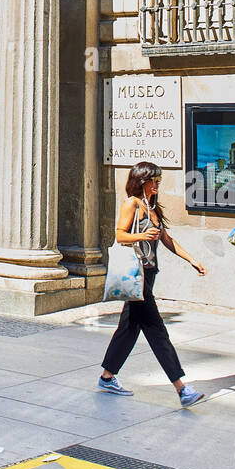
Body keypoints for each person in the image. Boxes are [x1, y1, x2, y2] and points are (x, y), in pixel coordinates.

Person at [98, 161, 207, 406]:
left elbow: (167, 239)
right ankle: (181, 389)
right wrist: (141, 235)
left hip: (148, 274)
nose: (158, 184)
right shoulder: (132, 203)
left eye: (159, 180)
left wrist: (192, 259)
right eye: (154, 180)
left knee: (128, 329)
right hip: (138, 276)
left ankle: (107, 377)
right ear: (142, 181)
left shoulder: (153, 207)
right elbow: (120, 235)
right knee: (157, 331)